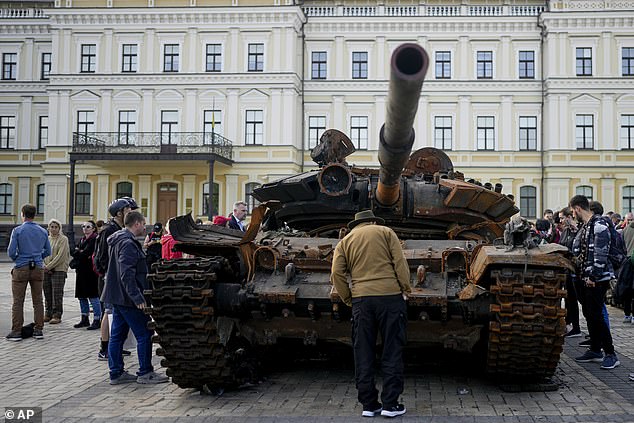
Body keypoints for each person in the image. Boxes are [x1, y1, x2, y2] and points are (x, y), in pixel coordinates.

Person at [330, 210, 411, 418]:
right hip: (390, 297)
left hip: (361, 301)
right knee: (392, 350)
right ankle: (390, 405)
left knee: (363, 351)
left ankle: (368, 404)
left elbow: (336, 273)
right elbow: (399, 263)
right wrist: (405, 288)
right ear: (373, 220)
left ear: (356, 224)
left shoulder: (345, 241)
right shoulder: (385, 232)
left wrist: (349, 298)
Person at [101, 210, 169, 385]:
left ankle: (116, 372)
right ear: (137, 223)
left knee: (117, 335)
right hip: (129, 298)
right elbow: (127, 274)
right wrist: (138, 298)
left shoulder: (119, 240)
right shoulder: (128, 244)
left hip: (118, 296)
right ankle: (145, 372)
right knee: (145, 333)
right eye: (143, 223)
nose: (145, 226)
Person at [570, 195, 620, 369]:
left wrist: (593, 277)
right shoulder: (587, 226)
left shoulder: (599, 225)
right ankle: (595, 349)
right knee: (590, 314)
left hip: (597, 279)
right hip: (588, 278)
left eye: (572, 211)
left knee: (597, 315)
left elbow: (601, 253)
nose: (572, 214)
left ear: (577, 208)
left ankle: (611, 354)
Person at [94, 197, 138, 360]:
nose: (131, 212)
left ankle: (117, 345)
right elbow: (103, 257)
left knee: (116, 312)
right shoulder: (109, 230)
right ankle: (104, 348)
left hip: (115, 278)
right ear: (119, 213)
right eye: (128, 210)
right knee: (108, 312)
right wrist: (109, 274)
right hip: (109, 278)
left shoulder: (118, 228)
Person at [6, 204, 51, 341]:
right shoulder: (42, 231)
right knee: (38, 301)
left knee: (18, 301)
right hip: (37, 267)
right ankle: (38, 330)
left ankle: (16, 331)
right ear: (34, 214)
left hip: (21, 267)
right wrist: (38, 257)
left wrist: (18, 259)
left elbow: (11, 252)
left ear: (22, 214)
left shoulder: (18, 230)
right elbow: (48, 251)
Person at [72, 220, 102, 330]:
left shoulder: (95, 239)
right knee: (81, 296)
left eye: (88, 226)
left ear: (94, 228)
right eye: (83, 226)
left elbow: (87, 253)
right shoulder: (82, 239)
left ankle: (97, 319)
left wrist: (80, 252)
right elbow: (74, 252)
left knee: (93, 296)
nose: (85, 228)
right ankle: (84, 318)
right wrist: (80, 252)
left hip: (91, 271)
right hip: (81, 270)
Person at [558, 208, 581, 338]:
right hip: (566, 269)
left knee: (575, 300)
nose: (560, 221)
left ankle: (576, 327)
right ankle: (571, 325)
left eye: (562, 218)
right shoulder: (565, 231)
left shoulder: (577, 231)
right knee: (569, 300)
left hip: (575, 270)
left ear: (569, 217)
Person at [43, 218, 71, 324]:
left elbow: (61, 256)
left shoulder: (63, 239)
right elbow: (42, 253)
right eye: (52, 227)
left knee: (57, 293)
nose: (53, 229)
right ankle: (48, 313)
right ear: (48, 228)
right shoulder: (46, 238)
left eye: (56, 227)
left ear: (59, 228)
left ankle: (57, 314)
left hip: (59, 269)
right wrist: (45, 266)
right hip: (45, 269)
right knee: (47, 292)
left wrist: (49, 266)